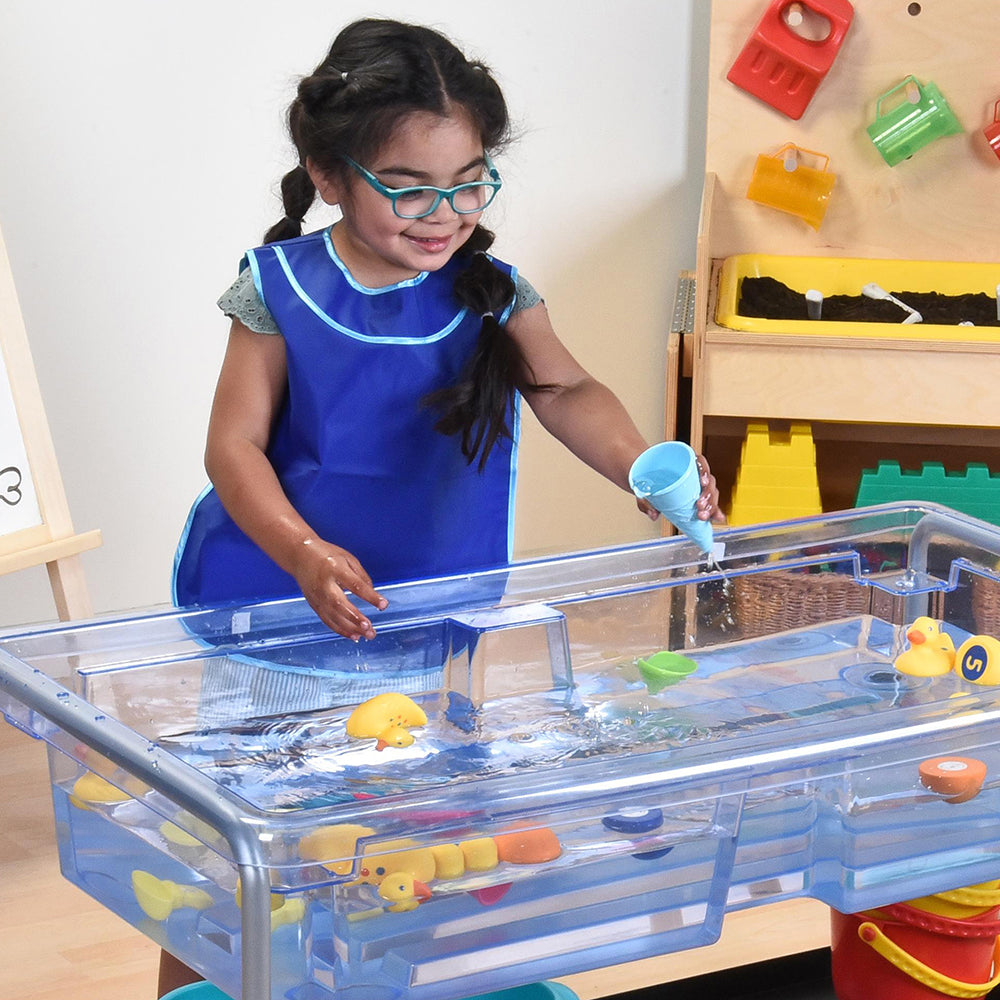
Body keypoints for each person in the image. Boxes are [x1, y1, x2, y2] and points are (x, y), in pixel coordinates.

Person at [162, 17, 722, 995]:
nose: (443, 211)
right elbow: (232, 447)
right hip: (275, 628)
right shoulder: (277, 288)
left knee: (400, 845)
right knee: (241, 855)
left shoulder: (492, 293)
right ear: (329, 174)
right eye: (410, 188)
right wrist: (301, 551)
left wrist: (644, 464)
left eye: (468, 183)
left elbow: (566, 391)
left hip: (422, 620)